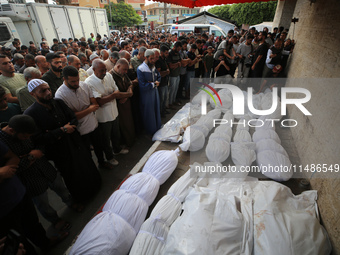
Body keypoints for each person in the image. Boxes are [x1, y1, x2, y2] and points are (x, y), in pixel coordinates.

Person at [24, 79, 101, 202]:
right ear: (33, 94)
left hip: (75, 142)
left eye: (49, 89)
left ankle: (96, 187)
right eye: (43, 91)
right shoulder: (30, 114)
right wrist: (62, 130)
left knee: (86, 165)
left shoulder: (58, 102)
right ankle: (82, 198)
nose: (48, 92)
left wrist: (64, 128)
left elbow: (73, 118)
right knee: (71, 174)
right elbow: (38, 138)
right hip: (59, 151)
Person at [0, 115, 79, 231]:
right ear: (12, 131)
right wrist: (31, 156)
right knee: (43, 203)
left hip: (45, 168)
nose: (27, 139)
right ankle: (55, 220)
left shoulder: (24, 128)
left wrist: (34, 153)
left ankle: (70, 202)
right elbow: (12, 168)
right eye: (25, 137)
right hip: (29, 179)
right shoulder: (2, 143)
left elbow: (40, 143)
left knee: (61, 187)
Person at [55, 66, 113, 170]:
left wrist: (82, 111)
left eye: (77, 80)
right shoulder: (60, 95)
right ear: (64, 79)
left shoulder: (84, 85)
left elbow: (95, 104)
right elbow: (72, 117)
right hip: (80, 130)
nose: (76, 83)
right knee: (86, 152)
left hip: (93, 124)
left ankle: (102, 162)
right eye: (73, 81)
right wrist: (88, 109)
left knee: (99, 147)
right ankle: (92, 169)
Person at [85, 59, 130, 166]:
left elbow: (116, 90)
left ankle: (117, 150)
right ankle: (109, 157)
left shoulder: (108, 76)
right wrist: (113, 95)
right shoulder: (89, 82)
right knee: (105, 139)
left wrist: (110, 96)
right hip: (103, 117)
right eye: (101, 71)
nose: (104, 73)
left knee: (116, 134)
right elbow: (99, 102)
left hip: (114, 111)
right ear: (94, 69)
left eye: (105, 70)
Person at [110, 59, 135, 147]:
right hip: (118, 105)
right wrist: (128, 94)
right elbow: (115, 94)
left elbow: (130, 83)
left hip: (126, 103)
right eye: (124, 69)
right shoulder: (111, 76)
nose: (126, 72)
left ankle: (130, 141)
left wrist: (129, 91)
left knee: (129, 123)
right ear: (118, 66)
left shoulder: (123, 74)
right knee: (122, 125)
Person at [137, 49, 161, 135]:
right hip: (146, 95)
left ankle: (157, 128)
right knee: (149, 113)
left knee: (156, 110)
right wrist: (154, 84)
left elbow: (158, 76)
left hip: (154, 93)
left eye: (154, 58)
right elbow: (142, 85)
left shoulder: (153, 67)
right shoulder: (141, 69)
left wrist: (155, 82)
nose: (153, 60)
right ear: (146, 57)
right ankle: (150, 132)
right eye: (151, 58)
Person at [155, 45, 170, 118]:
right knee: (161, 99)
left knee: (165, 98)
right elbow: (159, 73)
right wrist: (166, 72)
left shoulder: (164, 59)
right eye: (166, 53)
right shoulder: (158, 61)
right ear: (161, 53)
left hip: (165, 82)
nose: (167, 54)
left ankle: (163, 110)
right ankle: (160, 113)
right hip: (161, 84)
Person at [167, 41, 182, 108]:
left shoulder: (178, 53)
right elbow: (170, 66)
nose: (179, 50)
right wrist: (177, 64)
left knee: (176, 89)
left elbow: (180, 62)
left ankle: (173, 101)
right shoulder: (170, 54)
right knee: (172, 89)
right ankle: (170, 103)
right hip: (172, 75)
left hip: (177, 73)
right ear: (175, 47)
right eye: (178, 49)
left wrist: (177, 64)